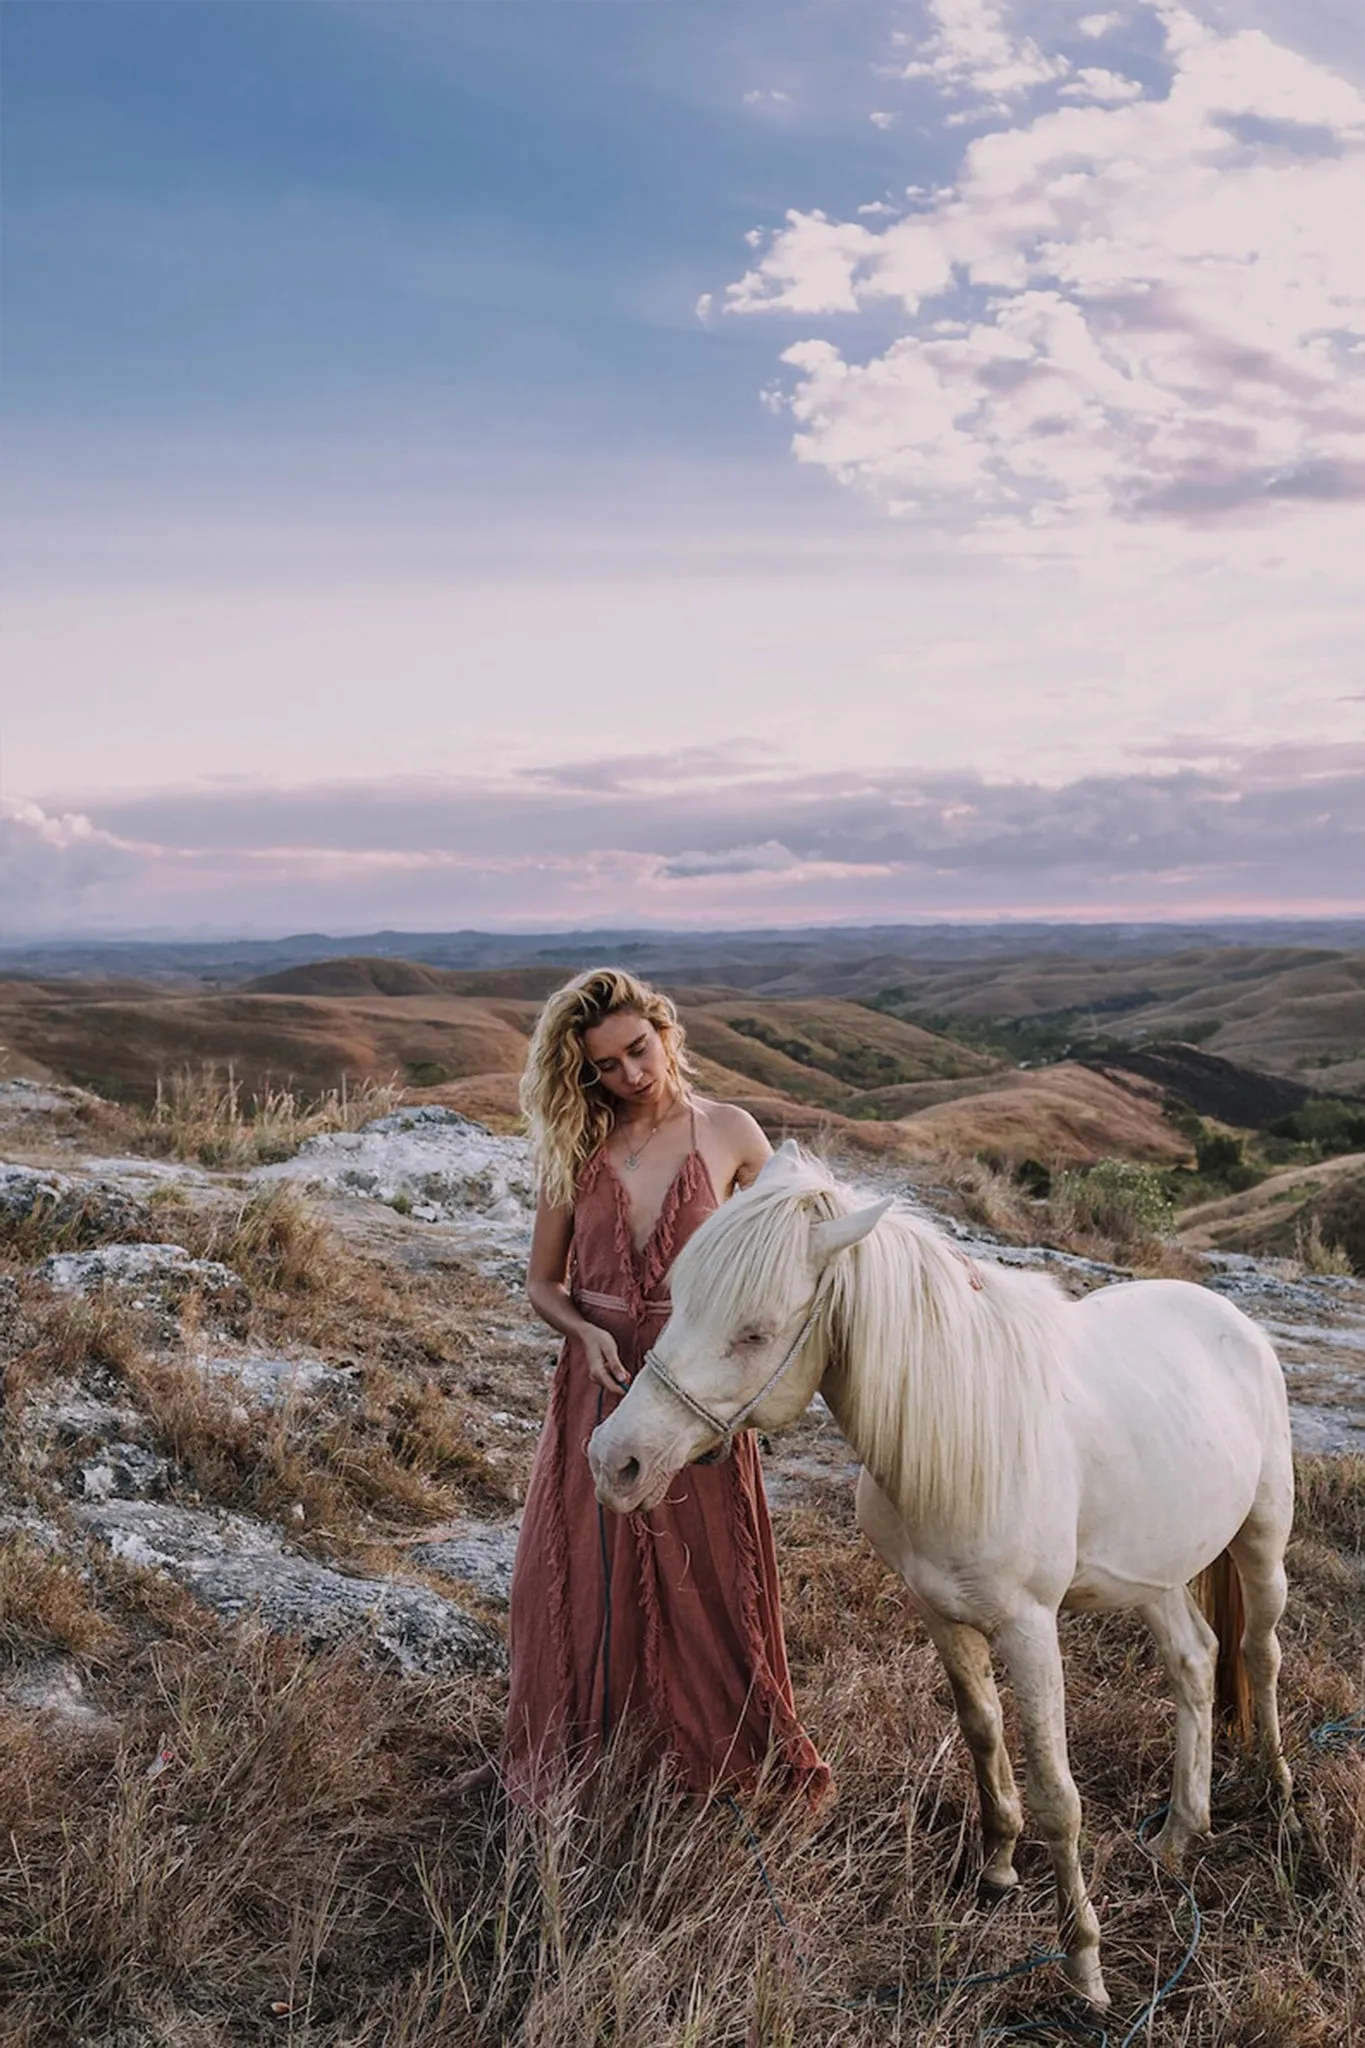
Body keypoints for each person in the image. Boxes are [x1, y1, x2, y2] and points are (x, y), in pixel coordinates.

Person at [499, 966, 830, 1808]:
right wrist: (582, 1333)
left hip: (698, 1386)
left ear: (666, 1033)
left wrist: (957, 1270)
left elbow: (820, 1224)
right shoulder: (576, 1143)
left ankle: (712, 1764)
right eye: (605, 1066)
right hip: (602, 1382)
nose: (629, 1076)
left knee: (708, 1568)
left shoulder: (729, 1132)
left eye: (637, 1051)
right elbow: (543, 1282)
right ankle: (599, 1764)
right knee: (589, 1568)